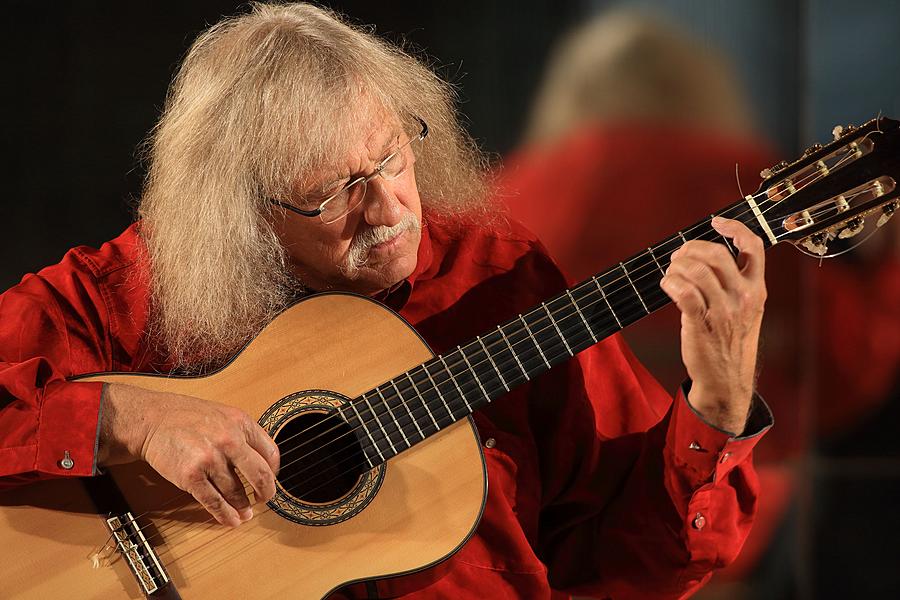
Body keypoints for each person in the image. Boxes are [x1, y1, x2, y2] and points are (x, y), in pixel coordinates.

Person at [0, 3, 772, 598]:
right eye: (331, 193)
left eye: (391, 156)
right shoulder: (128, 294)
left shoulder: (495, 278)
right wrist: (128, 421)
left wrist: (720, 405)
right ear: (240, 212)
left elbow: (629, 562)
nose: (389, 208)